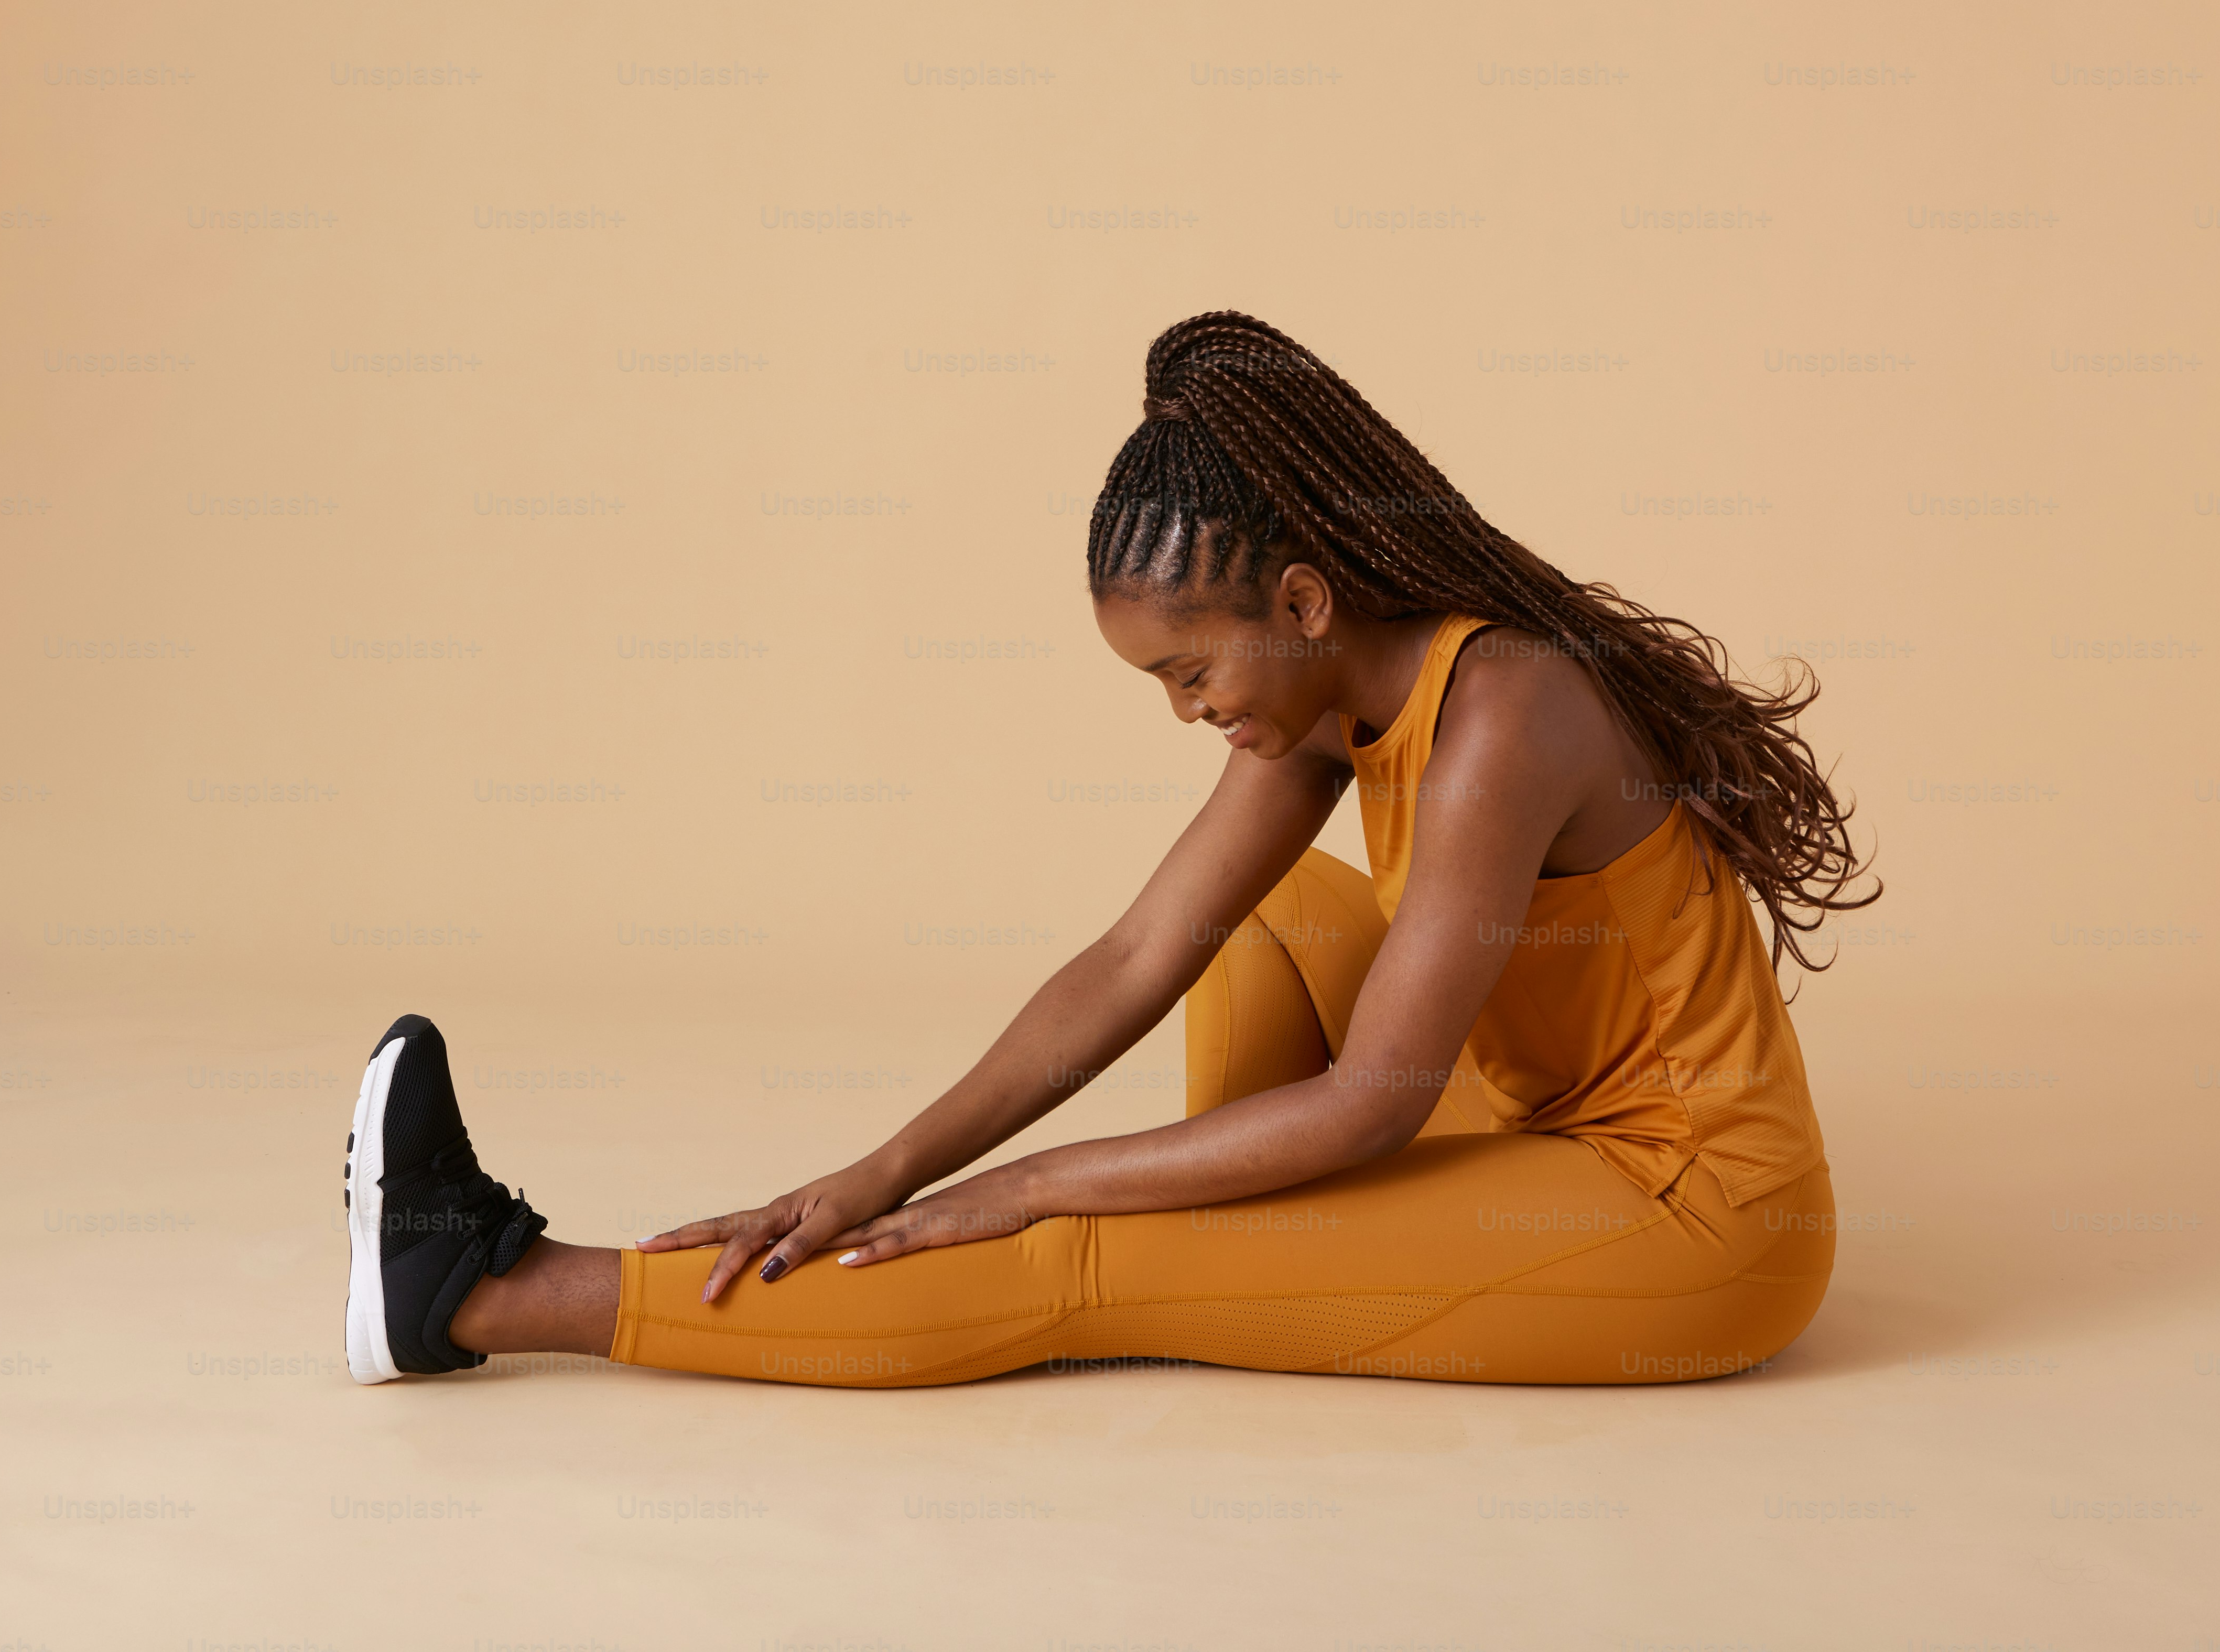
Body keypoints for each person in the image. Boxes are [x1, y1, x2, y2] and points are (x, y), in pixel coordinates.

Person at [341, 310, 1878, 1389]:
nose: (1187, 712)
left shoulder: (1506, 713)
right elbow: (1142, 955)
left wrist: (1033, 1192)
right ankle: (1266, 1261)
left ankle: (478, 1293)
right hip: (1533, 1103)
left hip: (1689, 1215)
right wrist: (879, 1168)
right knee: (1267, 922)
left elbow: (1373, 1108)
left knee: (1076, 1260)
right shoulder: (1334, 710)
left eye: (1186, 673)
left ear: (1299, 602)